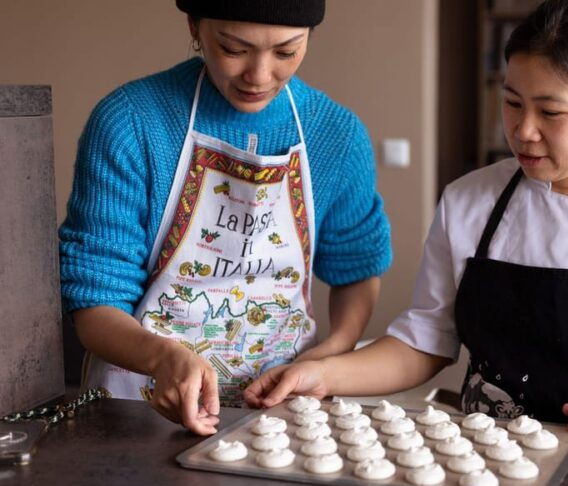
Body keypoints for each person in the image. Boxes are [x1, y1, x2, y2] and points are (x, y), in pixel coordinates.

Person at [244, 0, 568, 440]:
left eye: (550, 113)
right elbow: (425, 342)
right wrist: (323, 376)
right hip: (486, 461)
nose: (523, 131)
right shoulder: (468, 201)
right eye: (511, 103)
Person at [59, 0, 391, 435]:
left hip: (280, 414)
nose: (259, 75)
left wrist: (333, 350)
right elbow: (93, 297)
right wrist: (161, 359)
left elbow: (356, 268)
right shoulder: (130, 122)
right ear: (195, 25)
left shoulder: (336, 134)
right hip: (137, 405)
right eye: (234, 49)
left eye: (286, 52)